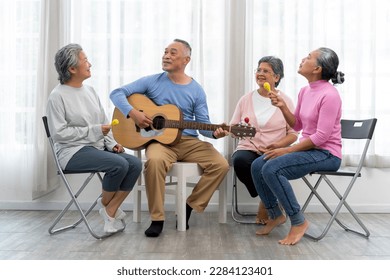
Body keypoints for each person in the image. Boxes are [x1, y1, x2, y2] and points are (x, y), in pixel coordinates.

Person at [110, 38, 230, 237]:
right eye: (165, 51)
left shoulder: (196, 90)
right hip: (160, 142)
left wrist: (215, 132)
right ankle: (157, 218)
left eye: (173, 52)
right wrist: (133, 113)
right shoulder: (152, 81)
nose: (166, 55)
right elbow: (117, 93)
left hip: (189, 141)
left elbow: (204, 126)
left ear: (186, 60)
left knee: (221, 164)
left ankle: (189, 206)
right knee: (155, 162)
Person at [251, 47, 344, 245]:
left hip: (327, 154)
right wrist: (283, 107)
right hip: (310, 149)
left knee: (272, 169)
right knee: (257, 165)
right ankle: (275, 214)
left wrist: (287, 149)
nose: (303, 59)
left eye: (309, 57)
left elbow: (321, 136)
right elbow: (298, 125)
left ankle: (298, 221)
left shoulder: (330, 95)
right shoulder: (305, 91)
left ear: (317, 68)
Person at [46, 43, 142, 233]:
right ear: (72, 69)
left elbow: (104, 124)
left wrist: (113, 144)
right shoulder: (57, 96)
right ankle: (109, 209)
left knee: (135, 164)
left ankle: (109, 208)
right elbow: (59, 134)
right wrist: (95, 130)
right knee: (119, 165)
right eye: (85, 60)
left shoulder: (90, 91)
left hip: (96, 147)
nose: (90, 64)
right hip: (71, 152)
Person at [230, 56, 298, 225]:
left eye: (265, 71)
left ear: (276, 77)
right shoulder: (245, 99)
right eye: (258, 70)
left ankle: (267, 204)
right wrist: (231, 131)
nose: (260, 73)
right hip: (248, 147)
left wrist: (278, 145)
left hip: (274, 150)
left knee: (264, 166)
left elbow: (294, 133)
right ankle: (266, 199)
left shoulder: (285, 101)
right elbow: (232, 127)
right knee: (239, 161)